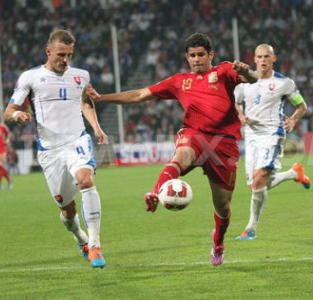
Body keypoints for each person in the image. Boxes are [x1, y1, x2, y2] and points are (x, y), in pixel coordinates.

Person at [85, 32, 257, 266]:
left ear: (211, 55)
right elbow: (139, 94)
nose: (197, 59)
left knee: (223, 207)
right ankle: (156, 192)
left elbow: (253, 79)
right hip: (194, 134)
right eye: (193, 55)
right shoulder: (179, 81)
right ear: (187, 57)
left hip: (223, 144)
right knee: (182, 154)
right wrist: (102, 98)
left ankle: (218, 241)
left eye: (201, 55)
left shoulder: (224, 71)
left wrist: (246, 71)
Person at [4, 29, 108, 269]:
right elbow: (8, 111)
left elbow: (84, 101)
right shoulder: (30, 78)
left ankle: (95, 244)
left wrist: (97, 128)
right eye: (61, 54)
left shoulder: (81, 76)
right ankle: (80, 238)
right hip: (50, 151)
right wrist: (18, 113)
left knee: (86, 179)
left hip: (77, 141)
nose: (65, 60)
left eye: (69, 55)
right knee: (67, 210)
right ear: (48, 52)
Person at [234, 44, 310, 241]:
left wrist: (292, 119)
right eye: (259, 57)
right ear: (254, 59)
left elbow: (302, 106)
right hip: (251, 135)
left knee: (259, 179)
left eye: (266, 56)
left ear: (273, 59)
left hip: (273, 133)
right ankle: (293, 173)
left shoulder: (284, 83)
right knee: (255, 185)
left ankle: (251, 228)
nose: (262, 60)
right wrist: (241, 115)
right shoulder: (244, 83)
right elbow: (235, 102)